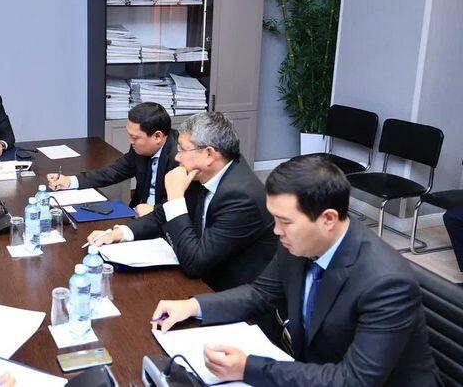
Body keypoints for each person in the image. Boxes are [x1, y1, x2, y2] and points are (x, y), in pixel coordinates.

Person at [151, 155, 443, 386]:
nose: (276, 230)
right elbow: (260, 293)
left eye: (285, 221)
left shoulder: (386, 283)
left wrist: (248, 368)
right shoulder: (300, 243)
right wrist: (193, 306)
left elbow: (354, 380)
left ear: (328, 219)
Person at [87, 112, 277, 291]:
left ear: (209, 154)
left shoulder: (241, 197)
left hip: (227, 291)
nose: (177, 157)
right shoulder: (202, 172)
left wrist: (176, 196)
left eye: (183, 150)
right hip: (199, 272)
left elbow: (195, 263)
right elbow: (162, 214)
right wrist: (119, 233)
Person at [47, 102, 178, 216]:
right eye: (130, 135)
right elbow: (114, 171)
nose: (130, 141)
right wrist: (70, 181)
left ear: (157, 136)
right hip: (138, 215)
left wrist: (154, 210)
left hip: (165, 223)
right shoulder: (139, 148)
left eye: (135, 137)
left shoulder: (180, 157)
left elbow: (183, 205)